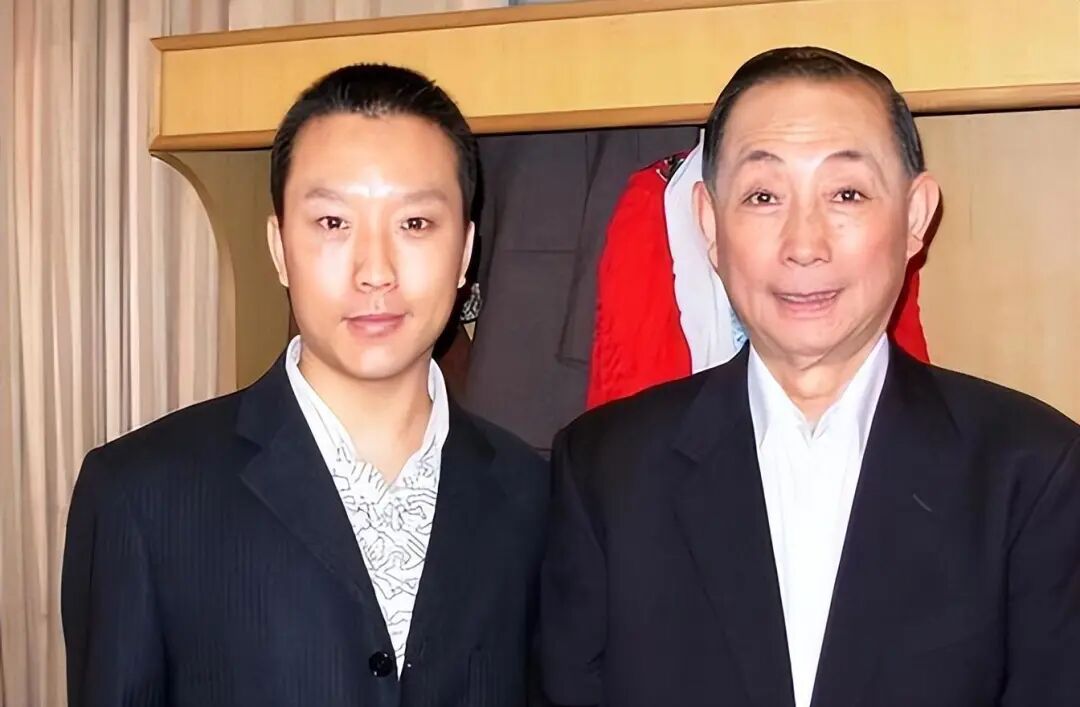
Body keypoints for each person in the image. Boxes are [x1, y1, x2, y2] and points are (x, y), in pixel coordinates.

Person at [539, 46, 1080, 707]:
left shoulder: (1034, 470)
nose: (804, 244)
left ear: (915, 217)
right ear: (709, 224)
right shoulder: (605, 468)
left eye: (846, 193)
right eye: (763, 196)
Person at [62, 64, 548, 707]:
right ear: (278, 247)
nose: (375, 271)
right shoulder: (140, 493)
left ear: (464, 253)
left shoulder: (533, 494)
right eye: (332, 223)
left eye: (414, 224)